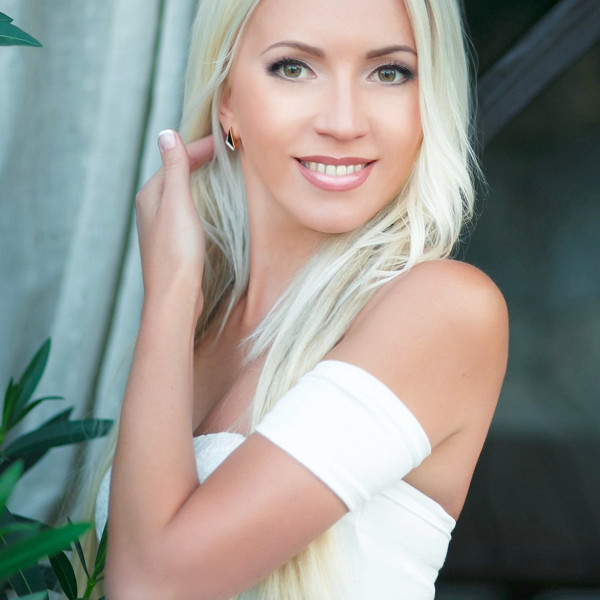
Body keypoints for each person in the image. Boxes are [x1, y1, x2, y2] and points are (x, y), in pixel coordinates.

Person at [96, 0, 509, 598]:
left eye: (389, 72)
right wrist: (180, 299)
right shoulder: (205, 322)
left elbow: (149, 587)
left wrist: (170, 291)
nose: (343, 122)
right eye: (293, 68)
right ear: (227, 100)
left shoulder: (443, 310)